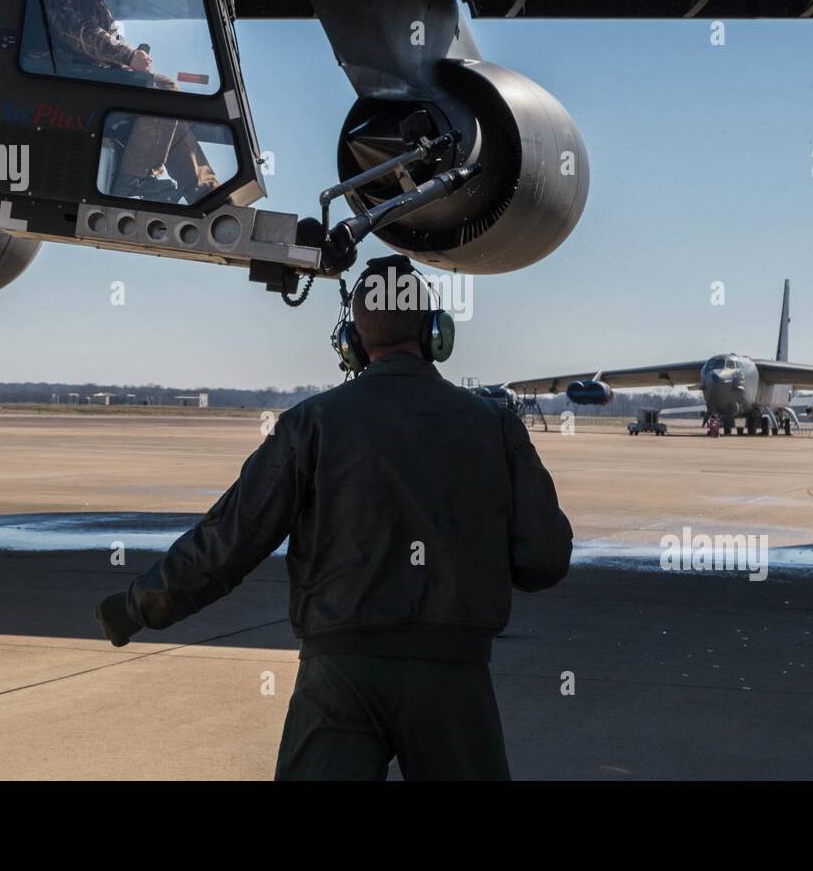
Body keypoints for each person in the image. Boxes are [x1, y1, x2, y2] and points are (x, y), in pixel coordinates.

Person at [95, 255, 573, 780]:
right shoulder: (496, 426)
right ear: (437, 333)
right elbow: (544, 560)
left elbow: (230, 540)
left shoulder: (311, 424)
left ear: (352, 341)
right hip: (455, 678)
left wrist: (138, 607)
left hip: (340, 675)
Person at [46, 0, 217, 200]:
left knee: (173, 115)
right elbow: (82, 33)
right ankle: (134, 179)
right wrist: (128, 56)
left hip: (98, 78)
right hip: (82, 84)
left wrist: (130, 59)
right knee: (164, 90)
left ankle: (208, 194)